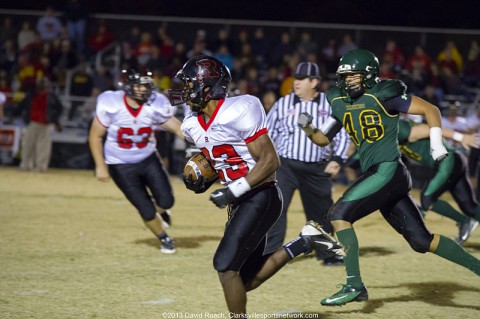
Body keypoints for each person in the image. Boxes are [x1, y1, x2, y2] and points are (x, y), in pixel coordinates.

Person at [297, 49, 480, 306]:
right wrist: (307, 127)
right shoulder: (340, 100)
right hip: (385, 175)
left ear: (369, 74)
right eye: (344, 75)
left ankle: (354, 285)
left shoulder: (385, 95)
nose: (347, 80)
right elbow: (322, 139)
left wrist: (436, 143)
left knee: (338, 215)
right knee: (421, 241)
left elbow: (431, 109)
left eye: (353, 75)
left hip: (387, 169)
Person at [168, 55, 345, 316]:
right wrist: (205, 175)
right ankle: (305, 241)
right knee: (244, 279)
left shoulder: (239, 108)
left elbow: (270, 160)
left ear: (208, 88)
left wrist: (233, 190)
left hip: (261, 196)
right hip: (242, 201)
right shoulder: (193, 123)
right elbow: (223, 160)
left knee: (224, 266)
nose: (184, 89)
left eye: (189, 83)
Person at [88, 67, 182, 253]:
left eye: (146, 86)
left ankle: (162, 213)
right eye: (138, 85)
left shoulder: (155, 103)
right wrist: (100, 166)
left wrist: (198, 138)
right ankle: (164, 238)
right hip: (120, 164)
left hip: (147, 158)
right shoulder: (111, 103)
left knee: (166, 200)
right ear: (127, 86)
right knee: (145, 209)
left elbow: (176, 126)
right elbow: (95, 137)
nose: (143, 89)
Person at [265, 61, 350, 266]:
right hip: (286, 166)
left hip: (316, 168)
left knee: (321, 213)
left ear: (314, 82)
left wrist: (337, 160)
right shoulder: (283, 104)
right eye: (296, 78)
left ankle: (327, 254)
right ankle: (270, 254)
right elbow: (268, 133)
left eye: (302, 79)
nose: (297, 82)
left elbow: (343, 136)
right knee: (276, 208)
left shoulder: (329, 105)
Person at [398, 118, 480, 244]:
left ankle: (463, 221)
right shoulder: (394, 134)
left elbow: (431, 128)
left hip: (448, 161)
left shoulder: (402, 129)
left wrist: (461, 137)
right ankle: (465, 221)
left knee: (427, 199)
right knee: (470, 207)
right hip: (454, 161)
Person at [15, 77, 63, 172]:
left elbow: (59, 109)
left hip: (46, 123)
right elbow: (21, 105)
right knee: (27, 145)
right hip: (32, 122)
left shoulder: (52, 96)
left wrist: (54, 119)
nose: (43, 86)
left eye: (44, 84)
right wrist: (15, 114)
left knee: (44, 147)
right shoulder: (32, 94)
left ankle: (41, 166)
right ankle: (26, 165)